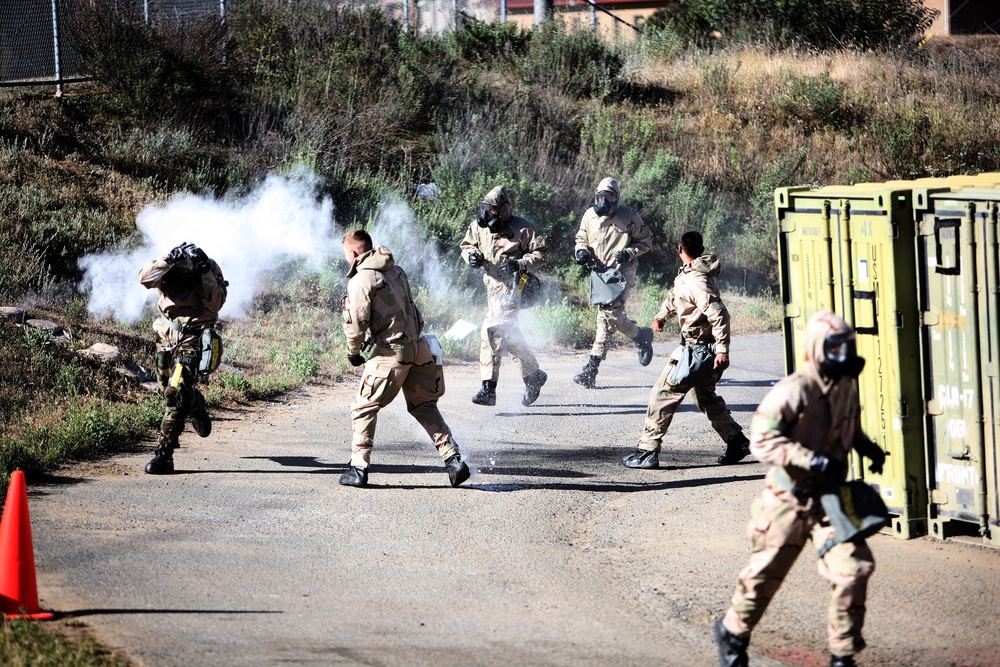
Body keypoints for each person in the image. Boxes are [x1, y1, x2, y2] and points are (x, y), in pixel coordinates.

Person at [714, 310, 886, 667]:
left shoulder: (845, 387)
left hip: (830, 502)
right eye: (835, 347)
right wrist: (809, 459)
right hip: (787, 501)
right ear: (817, 348)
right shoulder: (794, 389)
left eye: (847, 346)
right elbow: (762, 442)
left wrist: (866, 446)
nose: (843, 354)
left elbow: (847, 426)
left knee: (854, 569)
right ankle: (732, 633)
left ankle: (843, 656)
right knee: (764, 577)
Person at [340, 229, 470, 488]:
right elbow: (413, 311)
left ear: (354, 253)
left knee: (363, 408)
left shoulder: (361, 279)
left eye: (347, 255)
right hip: (418, 347)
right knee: (424, 407)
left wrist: (353, 353)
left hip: (391, 353)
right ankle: (454, 460)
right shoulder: (396, 271)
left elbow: (356, 323)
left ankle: (358, 468)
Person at [621, 230, 749, 469]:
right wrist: (662, 316)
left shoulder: (695, 280)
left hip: (697, 350)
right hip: (702, 350)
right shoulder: (690, 275)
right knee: (704, 397)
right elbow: (675, 298)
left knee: (662, 395)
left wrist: (722, 350)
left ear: (680, 249)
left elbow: (719, 313)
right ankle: (737, 441)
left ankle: (647, 451)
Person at [138, 242, 227, 475]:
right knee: (166, 390)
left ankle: (164, 454)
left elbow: (216, 302)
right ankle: (194, 403)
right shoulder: (166, 264)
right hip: (165, 338)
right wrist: (167, 260)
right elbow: (145, 279)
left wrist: (204, 268)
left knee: (174, 393)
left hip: (192, 341)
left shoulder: (208, 268)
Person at [460, 185, 548, 407]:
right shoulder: (479, 227)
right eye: (485, 209)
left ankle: (488, 388)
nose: (487, 214)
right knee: (510, 336)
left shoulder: (523, 228)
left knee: (491, 328)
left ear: (505, 209)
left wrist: (518, 263)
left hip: (513, 287)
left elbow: (541, 254)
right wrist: (471, 256)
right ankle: (533, 375)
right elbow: (467, 245)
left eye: (493, 210)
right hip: (492, 287)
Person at [572, 177, 654, 388]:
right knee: (611, 316)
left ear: (616, 198)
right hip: (600, 273)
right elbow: (581, 237)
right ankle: (640, 335)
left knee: (606, 315)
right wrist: (581, 251)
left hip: (622, 273)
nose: (603, 203)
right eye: (599, 197)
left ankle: (591, 368)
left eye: (608, 198)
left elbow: (646, 241)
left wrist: (629, 252)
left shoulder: (629, 217)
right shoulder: (590, 216)